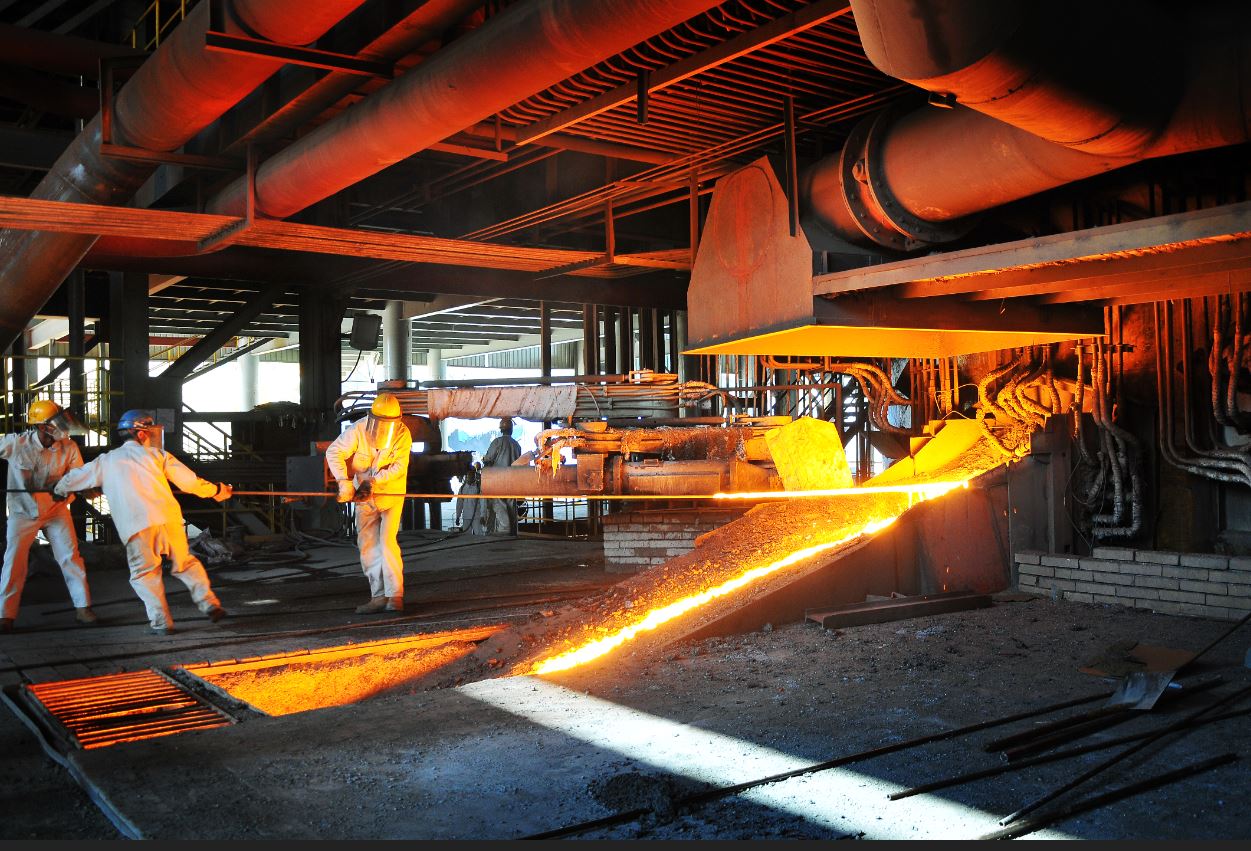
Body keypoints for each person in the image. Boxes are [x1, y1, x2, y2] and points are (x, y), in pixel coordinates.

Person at [53, 410, 232, 635]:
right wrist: (218, 490)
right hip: (169, 520)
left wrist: (59, 490)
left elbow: (74, 479)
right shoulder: (157, 455)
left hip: (137, 526)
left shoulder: (107, 461)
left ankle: (161, 623)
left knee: (145, 574)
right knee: (186, 564)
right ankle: (209, 603)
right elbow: (190, 483)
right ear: (141, 433)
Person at [0, 399, 95, 633]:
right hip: (23, 512)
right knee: (14, 561)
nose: (63, 427)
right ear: (42, 426)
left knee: (70, 557)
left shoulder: (69, 447)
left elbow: (78, 477)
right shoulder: (16, 444)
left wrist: (86, 488)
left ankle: (83, 608)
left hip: (56, 510)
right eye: (57, 423)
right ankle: (5, 615)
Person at [326, 392, 412, 614]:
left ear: (397, 421)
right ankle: (378, 596)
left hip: (391, 494)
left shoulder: (402, 434)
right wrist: (343, 481)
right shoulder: (358, 430)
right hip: (364, 496)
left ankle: (395, 596)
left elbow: (399, 467)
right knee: (367, 545)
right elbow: (334, 451)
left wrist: (374, 481)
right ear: (371, 418)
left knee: (387, 542)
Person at [481, 417, 523, 535]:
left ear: (501, 429)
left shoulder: (497, 442)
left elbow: (488, 459)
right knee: (511, 506)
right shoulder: (517, 445)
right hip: (512, 481)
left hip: (498, 481)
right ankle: (512, 533)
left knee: (499, 505)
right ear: (511, 430)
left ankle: (504, 532)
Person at [454, 462, 487, 535]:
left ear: (475, 475)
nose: (471, 476)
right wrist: (458, 516)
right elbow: (459, 503)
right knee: (466, 536)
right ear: (466, 475)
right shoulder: (462, 489)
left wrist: (483, 516)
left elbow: (483, 503)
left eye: (472, 474)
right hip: (466, 517)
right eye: (469, 474)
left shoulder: (479, 488)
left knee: (479, 535)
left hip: (477, 517)